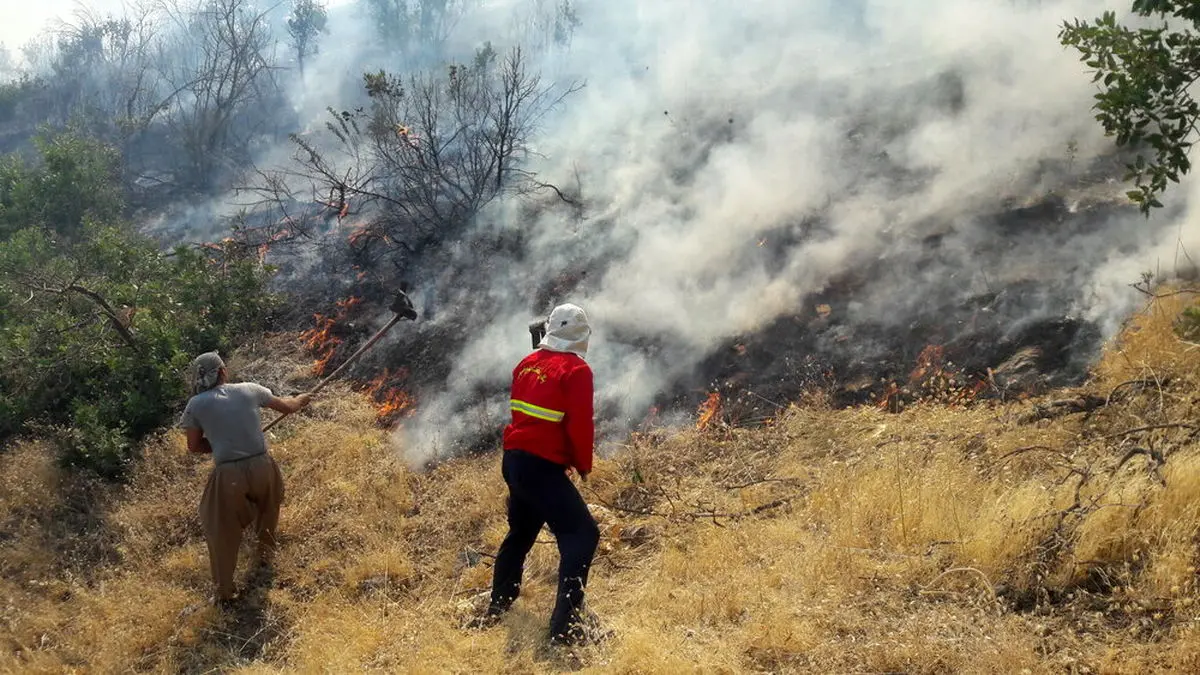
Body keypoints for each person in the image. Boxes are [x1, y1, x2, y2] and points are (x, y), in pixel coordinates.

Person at [476, 303, 602, 646]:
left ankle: (499, 604)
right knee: (582, 534)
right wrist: (583, 464)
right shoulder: (577, 371)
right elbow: (579, 425)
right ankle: (566, 628)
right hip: (540, 467)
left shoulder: (526, 363)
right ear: (581, 336)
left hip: (514, 461)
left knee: (521, 531)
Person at [179, 351, 311, 606]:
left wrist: (219, 444)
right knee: (267, 511)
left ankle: (225, 593)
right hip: (263, 465)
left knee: (221, 528)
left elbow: (194, 446)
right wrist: (301, 399)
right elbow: (288, 406)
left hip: (229, 475)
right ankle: (264, 561)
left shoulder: (195, 405)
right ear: (223, 372)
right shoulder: (250, 389)